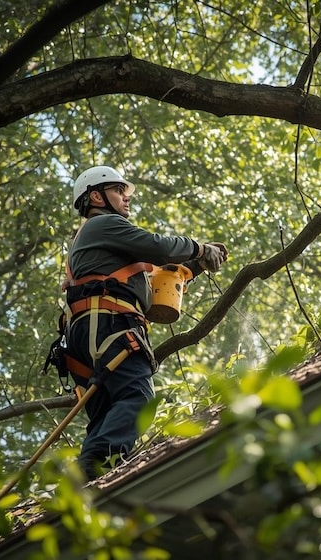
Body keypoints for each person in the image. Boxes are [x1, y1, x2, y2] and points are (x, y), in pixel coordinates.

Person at [62, 165, 227, 481]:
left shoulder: (103, 248)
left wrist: (194, 265)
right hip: (109, 325)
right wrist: (200, 247)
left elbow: (152, 290)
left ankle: (93, 482)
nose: (126, 199)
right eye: (118, 191)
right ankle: (92, 471)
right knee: (138, 397)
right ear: (96, 196)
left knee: (107, 416)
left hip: (90, 332)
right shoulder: (103, 224)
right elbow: (160, 246)